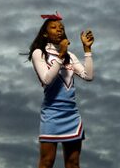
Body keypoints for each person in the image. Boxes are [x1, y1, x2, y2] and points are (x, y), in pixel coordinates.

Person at [28, 12, 94, 168]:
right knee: (47, 162)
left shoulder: (70, 55)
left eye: (61, 27)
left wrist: (87, 50)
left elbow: (88, 76)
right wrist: (61, 55)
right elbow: (46, 80)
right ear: (45, 33)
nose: (59, 30)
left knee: (72, 163)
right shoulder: (40, 53)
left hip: (72, 114)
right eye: (53, 27)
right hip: (51, 113)